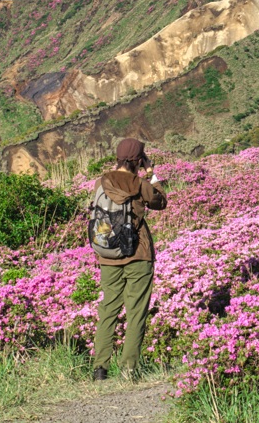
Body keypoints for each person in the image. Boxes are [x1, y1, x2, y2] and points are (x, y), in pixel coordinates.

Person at [91, 138, 167, 381]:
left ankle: (100, 369)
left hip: (107, 255)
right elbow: (161, 201)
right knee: (136, 313)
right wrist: (152, 173)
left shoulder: (99, 183)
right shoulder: (140, 183)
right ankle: (128, 370)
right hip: (138, 255)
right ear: (138, 160)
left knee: (108, 310)